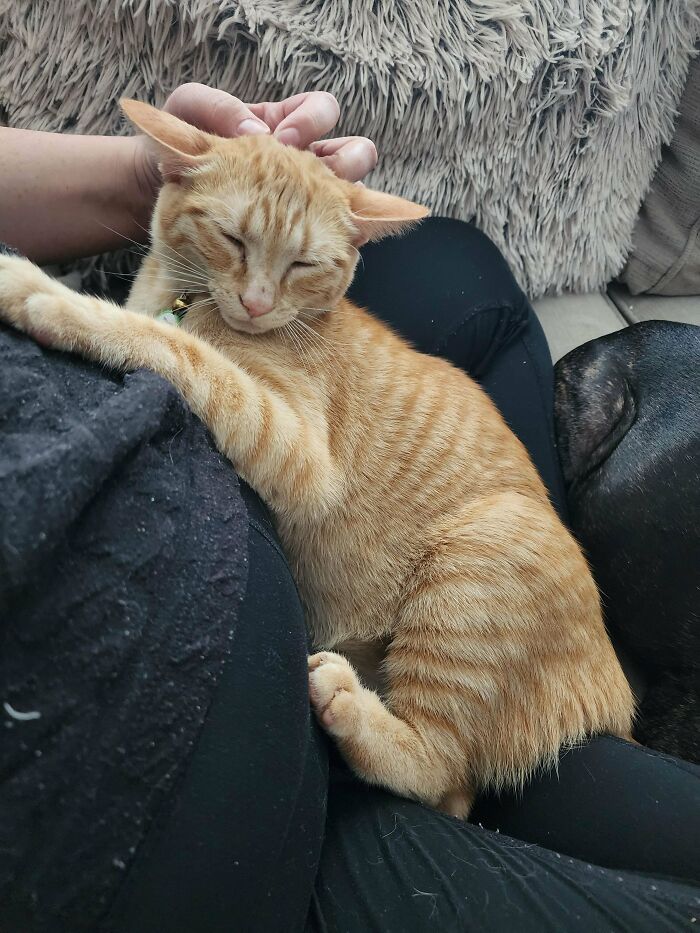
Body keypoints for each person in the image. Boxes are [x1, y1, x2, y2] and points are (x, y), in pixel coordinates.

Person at [0, 84, 698, 933]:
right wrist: (128, 328)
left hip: (445, 584)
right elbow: (301, 465)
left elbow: (299, 471)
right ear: (177, 195)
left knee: (458, 271)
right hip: (248, 657)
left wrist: (141, 308)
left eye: (301, 267)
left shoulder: (268, 312)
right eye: (231, 245)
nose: (257, 299)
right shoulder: (227, 288)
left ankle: (441, 740)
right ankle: (458, 754)